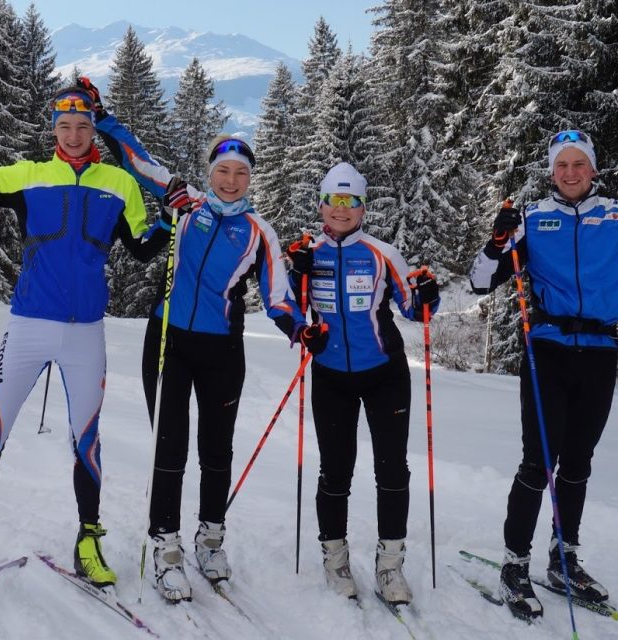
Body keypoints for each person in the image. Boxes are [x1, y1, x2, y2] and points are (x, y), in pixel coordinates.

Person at [75, 78, 326, 603]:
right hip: (168, 342)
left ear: (249, 179)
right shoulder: (184, 204)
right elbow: (136, 157)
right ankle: (165, 544)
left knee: (216, 450)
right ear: (210, 173)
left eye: (240, 173)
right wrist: (100, 117)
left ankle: (210, 538)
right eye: (222, 171)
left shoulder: (259, 232)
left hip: (221, 351)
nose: (231, 180)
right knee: (169, 449)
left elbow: (279, 295)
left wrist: (301, 329)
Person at [0, 86, 170, 587]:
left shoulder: (119, 184)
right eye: (65, 126)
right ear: (53, 129)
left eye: (83, 126)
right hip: (28, 327)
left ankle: (88, 538)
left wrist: (171, 220)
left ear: (93, 129)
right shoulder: (30, 176)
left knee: (87, 441)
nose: (74, 134)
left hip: (86, 333)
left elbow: (142, 248)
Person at [470, 130, 617, 620]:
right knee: (539, 462)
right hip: (549, 352)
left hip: (601, 351)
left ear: (593, 169)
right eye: (562, 165)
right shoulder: (533, 220)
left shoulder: (614, 217)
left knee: (578, 462)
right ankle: (515, 563)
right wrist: (497, 239)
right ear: (551, 172)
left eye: (579, 164)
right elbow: (479, 279)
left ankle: (564, 558)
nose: (571, 173)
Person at [286, 162, 440, 604]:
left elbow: (415, 308)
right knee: (335, 470)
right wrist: (301, 313)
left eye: (350, 201)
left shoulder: (382, 253)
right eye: (333, 199)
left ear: (362, 208)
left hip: (384, 374)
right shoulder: (307, 252)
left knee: (393, 470)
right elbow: (288, 308)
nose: (341, 209)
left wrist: (429, 294)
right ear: (321, 204)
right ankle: (334, 556)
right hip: (331, 377)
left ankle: (390, 564)